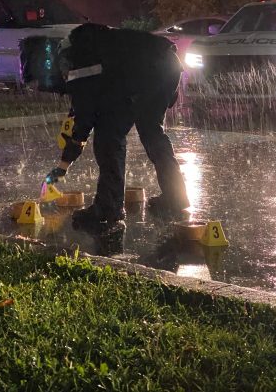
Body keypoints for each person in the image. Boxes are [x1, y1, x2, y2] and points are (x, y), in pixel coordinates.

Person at [45, 23, 189, 234]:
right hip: (168, 65)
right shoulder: (86, 44)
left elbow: (86, 116)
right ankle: (175, 197)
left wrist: (64, 163)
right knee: (152, 132)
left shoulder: (78, 61)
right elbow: (86, 103)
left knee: (108, 138)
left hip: (146, 72)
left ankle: (107, 209)